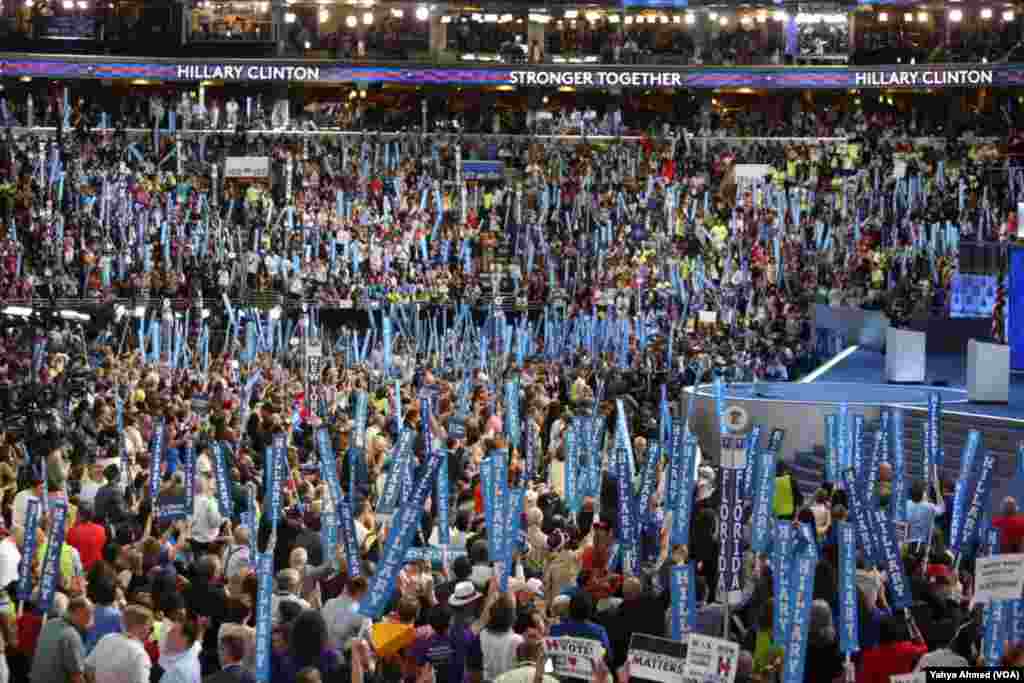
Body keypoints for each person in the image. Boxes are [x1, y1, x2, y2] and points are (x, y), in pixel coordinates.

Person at [30, 595, 94, 683]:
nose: (90, 621)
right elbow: (77, 677)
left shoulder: (50, 624)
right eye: (88, 615)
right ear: (78, 612)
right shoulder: (71, 635)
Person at [84, 604, 154, 683]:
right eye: (149, 626)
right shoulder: (140, 654)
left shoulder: (107, 638)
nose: (149, 630)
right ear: (143, 627)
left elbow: (88, 667)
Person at [159, 616, 204, 683]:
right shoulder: (190, 657)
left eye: (173, 631)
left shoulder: (179, 671)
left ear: (184, 639)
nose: (168, 633)